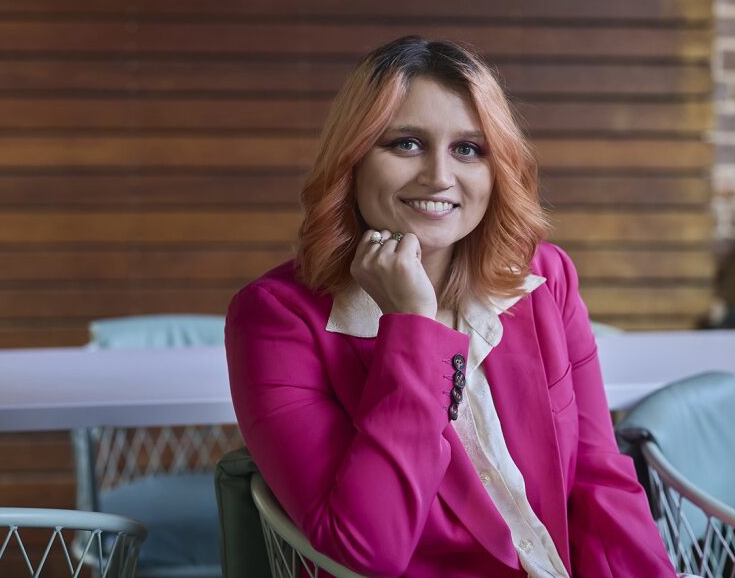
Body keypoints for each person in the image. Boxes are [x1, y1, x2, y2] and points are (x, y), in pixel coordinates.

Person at [225, 36, 677, 577]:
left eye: (468, 149)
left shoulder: (545, 278)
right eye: (406, 144)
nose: (439, 176)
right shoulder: (275, 319)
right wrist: (412, 328)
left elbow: (598, 477)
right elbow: (368, 548)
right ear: (353, 161)